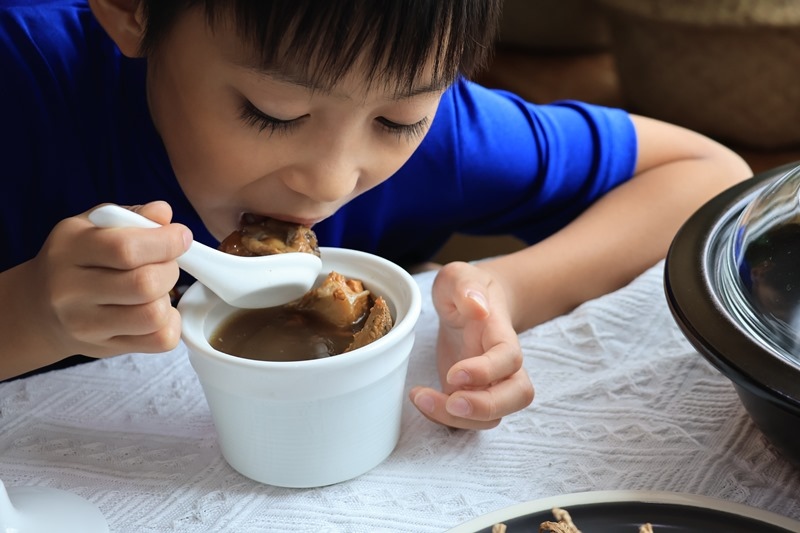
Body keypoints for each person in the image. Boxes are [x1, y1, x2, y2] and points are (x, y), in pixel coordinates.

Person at [0, 0, 751, 430]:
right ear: (132, 10)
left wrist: (503, 291)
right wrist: (32, 312)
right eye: (271, 111)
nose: (329, 180)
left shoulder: (443, 138)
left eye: (397, 121)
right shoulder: (22, 82)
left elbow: (707, 174)